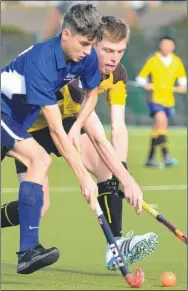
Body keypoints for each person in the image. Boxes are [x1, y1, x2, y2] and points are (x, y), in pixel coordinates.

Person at [2, 16, 157, 272]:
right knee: (38, 207)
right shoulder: (76, 71)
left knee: (109, 169)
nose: (114, 58)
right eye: (107, 50)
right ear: (94, 45)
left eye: (120, 51)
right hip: (32, 126)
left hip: (63, 122)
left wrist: (124, 176)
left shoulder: (116, 75)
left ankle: (114, 246)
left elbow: (118, 127)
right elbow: (94, 133)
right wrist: (86, 175)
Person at [1, 3, 104, 275]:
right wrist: (84, 178)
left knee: (39, 160)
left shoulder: (86, 56)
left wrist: (79, 123)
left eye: (91, 45)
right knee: (39, 158)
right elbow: (57, 131)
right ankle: (28, 251)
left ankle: (28, 252)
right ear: (65, 34)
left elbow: (93, 91)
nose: (87, 51)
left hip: (16, 121)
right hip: (3, 112)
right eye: (83, 43)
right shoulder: (42, 61)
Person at [136, 35, 187, 168]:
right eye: (163, 44)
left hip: (169, 101)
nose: (166, 47)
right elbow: (140, 79)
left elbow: (183, 84)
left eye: (168, 44)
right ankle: (166, 156)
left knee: (159, 128)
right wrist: (146, 84)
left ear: (173, 46)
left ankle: (150, 159)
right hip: (155, 100)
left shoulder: (177, 62)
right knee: (161, 120)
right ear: (160, 46)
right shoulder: (153, 60)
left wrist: (178, 88)